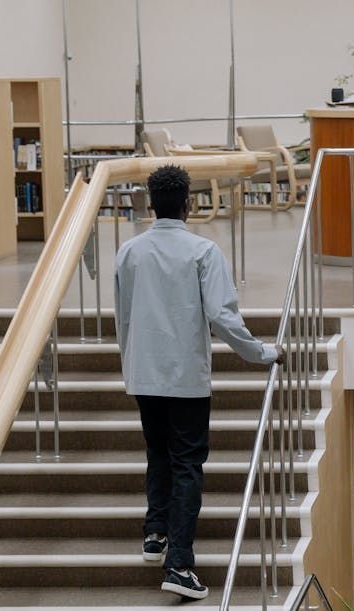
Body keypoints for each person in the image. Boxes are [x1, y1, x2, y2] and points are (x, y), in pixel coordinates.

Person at [115, 165, 284, 600]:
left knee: (158, 453)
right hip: (185, 377)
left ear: (152, 202)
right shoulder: (203, 251)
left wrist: (129, 363)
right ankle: (180, 564)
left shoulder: (129, 251)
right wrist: (261, 354)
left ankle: (156, 534)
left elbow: (124, 317)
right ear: (189, 202)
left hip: (144, 372)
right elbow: (222, 317)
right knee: (187, 463)